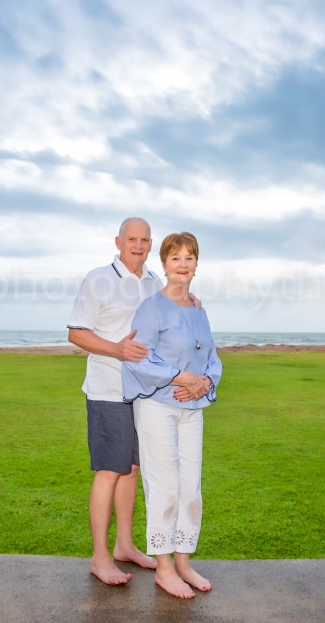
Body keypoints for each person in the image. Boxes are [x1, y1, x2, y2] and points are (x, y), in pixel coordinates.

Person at [122, 231, 221, 599]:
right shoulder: (152, 308)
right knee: (163, 488)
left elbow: (212, 356)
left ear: (197, 264)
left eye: (189, 258)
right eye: (176, 258)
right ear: (164, 264)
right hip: (157, 408)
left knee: (190, 489)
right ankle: (163, 568)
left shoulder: (198, 308)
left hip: (193, 409)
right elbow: (138, 357)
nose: (183, 264)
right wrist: (181, 377)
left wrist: (205, 381)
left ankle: (183, 562)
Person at [67, 217, 161, 585]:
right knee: (109, 470)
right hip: (108, 390)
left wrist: (189, 299)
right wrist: (118, 350)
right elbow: (77, 333)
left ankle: (124, 546)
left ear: (150, 244)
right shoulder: (98, 278)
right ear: (119, 241)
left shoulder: (155, 282)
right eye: (131, 239)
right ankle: (100, 558)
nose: (138, 245)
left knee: (132, 469)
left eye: (144, 239)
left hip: (144, 393)